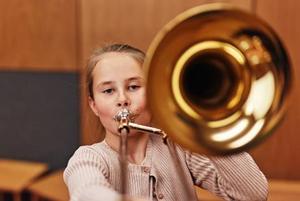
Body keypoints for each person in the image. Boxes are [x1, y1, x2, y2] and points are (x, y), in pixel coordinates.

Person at [63, 43, 268, 201]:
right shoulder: (88, 158)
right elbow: (86, 193)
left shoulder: (180, 149)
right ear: (93, 105)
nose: (123, 99)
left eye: (134, 87)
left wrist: (207, 125)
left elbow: (253, 194)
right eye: (108, 91)